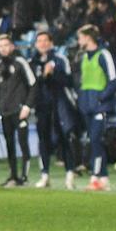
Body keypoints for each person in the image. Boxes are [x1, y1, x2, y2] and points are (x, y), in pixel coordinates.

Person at [29, 31, 79, 189]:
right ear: (36, 44)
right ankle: (45, 175)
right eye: (39, 41)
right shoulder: (33, 62)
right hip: (42, 106)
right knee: (43, 140)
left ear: (51, 43)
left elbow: (69, 81)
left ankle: (69, 174)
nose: (42, 44)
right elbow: (33, 85)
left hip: (59, 104)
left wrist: (53, 74)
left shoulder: (60, 59)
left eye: (45, 40)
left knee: (64, 139)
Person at [75, 25, 116, 192]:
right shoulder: (84, 57)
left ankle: (95, 178)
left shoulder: (104, 55)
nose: (78, 41)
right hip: (88, 106)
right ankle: (104, 178)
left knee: (95, 140)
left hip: (100, 106)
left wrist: (102, 97)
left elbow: (115, 80)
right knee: (94, 142)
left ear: (88, 37)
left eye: (80, 37)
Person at [0, 34, 36, 187]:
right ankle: (13, 175)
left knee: (23, 143)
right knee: (9, 144)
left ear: (12, 46)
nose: (3, 49)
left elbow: (33, 84)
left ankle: (24, 176)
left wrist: (27, 106)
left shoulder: (20, 62)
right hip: (5, 111)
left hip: (19, 109)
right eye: (0, 46)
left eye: (6, 45)